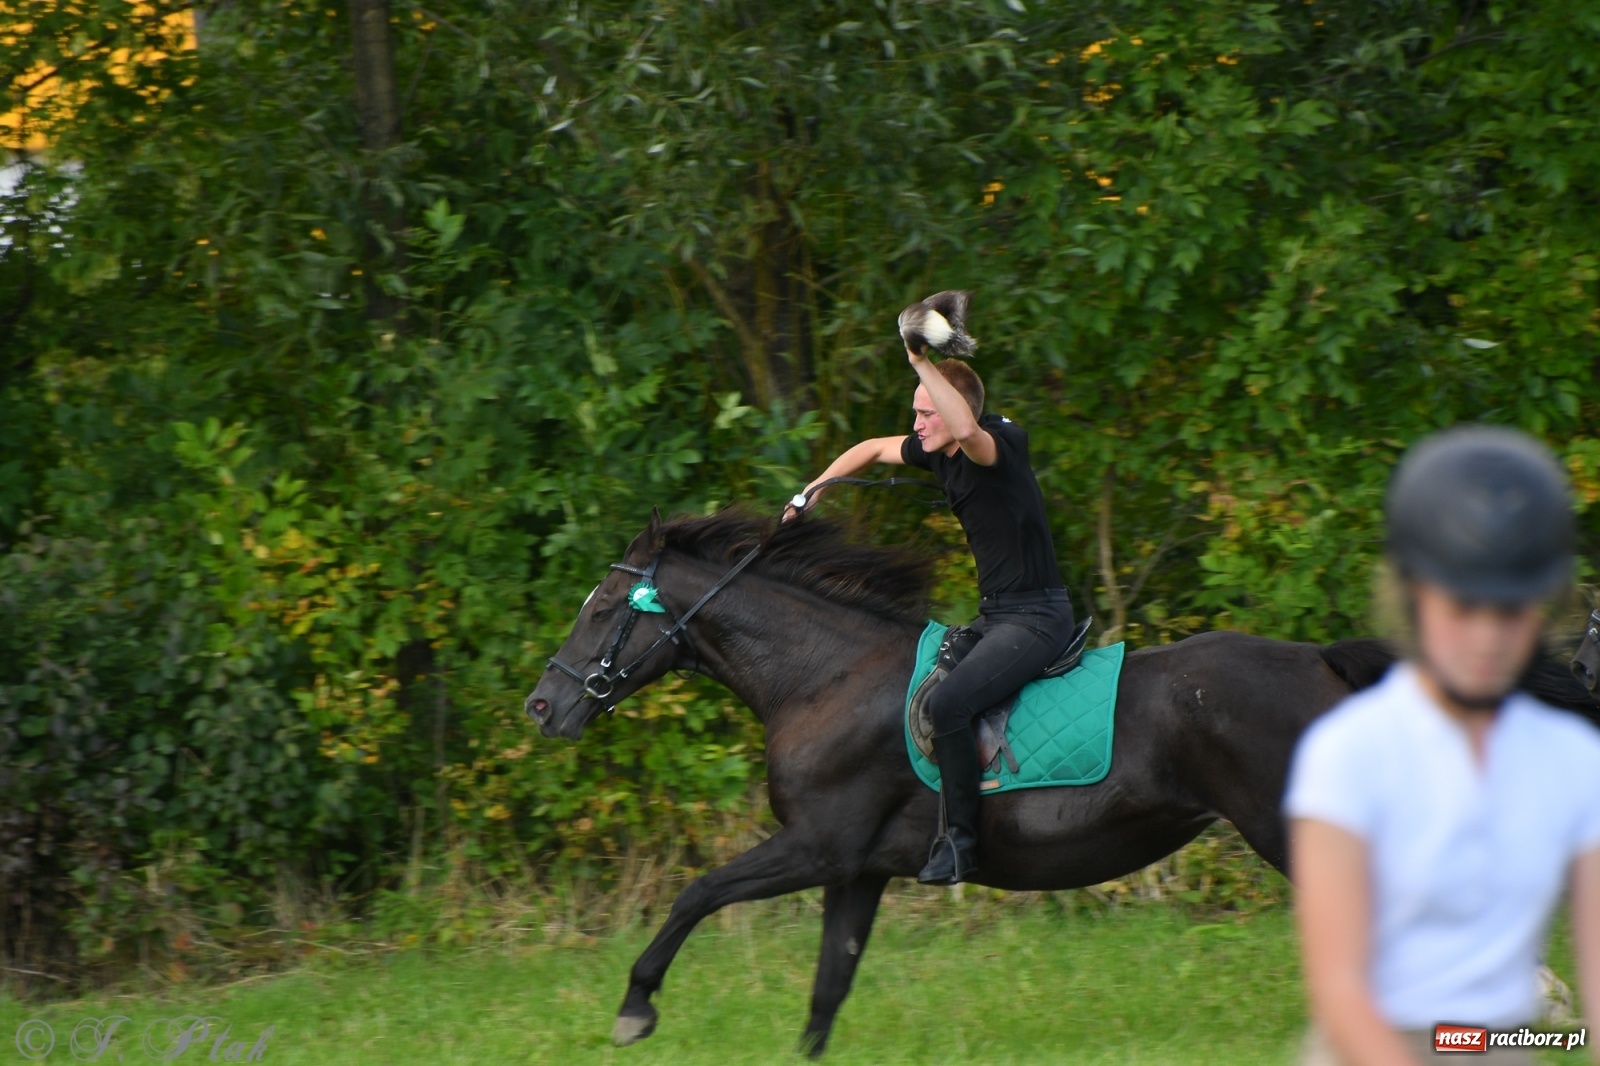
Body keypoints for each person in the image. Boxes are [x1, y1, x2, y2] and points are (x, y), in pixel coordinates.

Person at [1285, 426, 1600, 1066]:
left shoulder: (1572, 761)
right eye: (1462, 605)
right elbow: (1339, 987)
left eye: (1510, 608)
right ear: (1413, 595)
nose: (1487, 636)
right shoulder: (1349, 752)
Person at [784, 303, 1075, 886]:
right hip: (998, 616)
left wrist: (919, 357)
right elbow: (869, 447)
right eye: (914, 413)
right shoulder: (936, 450)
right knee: (919, 692)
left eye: (925, 412)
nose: (916, 423)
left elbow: (965, 429)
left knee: (948, 707)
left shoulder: (995, 444)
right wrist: (810, 493)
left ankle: (963, 844)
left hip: (1039, 620)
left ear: (953, 407)